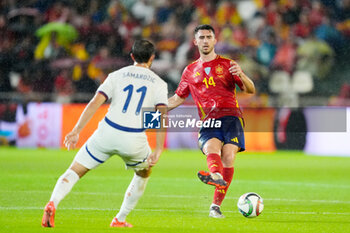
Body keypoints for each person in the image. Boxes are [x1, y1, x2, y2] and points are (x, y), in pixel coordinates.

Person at [41, 39, 168, 228]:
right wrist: (158, 148)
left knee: (75, 170)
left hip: (107, 132)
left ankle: (53, 202)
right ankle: (120, 219)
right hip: (133, 138)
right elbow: (160, 115)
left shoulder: (116, 75)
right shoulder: (159, 83)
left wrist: (76, 130)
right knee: (143, 173)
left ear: (132, 56)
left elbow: (94, 103)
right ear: (152, 58)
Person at [168, 24, 255, 218]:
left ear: (215, 40)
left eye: (209, 37)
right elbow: (177, 98)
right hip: (208, 120)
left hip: (231, 117)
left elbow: (250, 89)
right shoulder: (190, 71)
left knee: (229, 157)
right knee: (211, 148)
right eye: (202, 37)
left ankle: (215, 206)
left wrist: (241, 74)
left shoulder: (228, 64)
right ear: (195, 41)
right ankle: (216, 176)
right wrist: (154, 111)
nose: (205, 41)